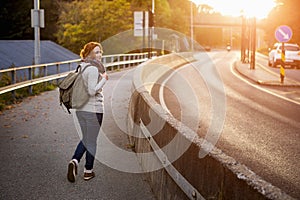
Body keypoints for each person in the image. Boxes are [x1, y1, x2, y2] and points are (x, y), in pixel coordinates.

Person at [67, 42, 108, 182]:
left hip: (81, 110)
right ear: (89, 54)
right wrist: (103, 81)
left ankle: (75, 162)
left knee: (86, 138)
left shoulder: (81, 66)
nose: (100, 54)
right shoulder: (93, 69)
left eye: (100, 51)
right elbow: (91, 91)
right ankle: (87, 170)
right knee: (91, 141)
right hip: (94, 110)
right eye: (96, 52)